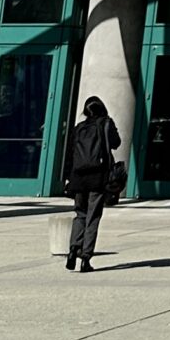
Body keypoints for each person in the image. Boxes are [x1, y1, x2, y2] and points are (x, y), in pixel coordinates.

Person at [63, 95, 120, 274]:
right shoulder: (106, 123)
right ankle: (85, 258)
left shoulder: (79, 128)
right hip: (97, 176)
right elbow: (116, 143)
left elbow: (70, 154)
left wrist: (68, 178)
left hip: (78, 178)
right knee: (93, 217)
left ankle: (73, 249)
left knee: (80, 214)